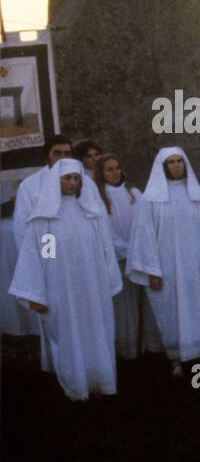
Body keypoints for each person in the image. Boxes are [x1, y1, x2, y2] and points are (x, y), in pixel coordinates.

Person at [9, 159, 121, 401]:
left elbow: (104, 250)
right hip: (63, 288)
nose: (72, 183)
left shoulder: (92, 214)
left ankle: (102, 380)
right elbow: (46, 256)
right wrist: (40, 291)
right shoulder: (46, 219)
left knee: (97, 332)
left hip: (93, 287)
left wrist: (109, 279)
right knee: (68, 336)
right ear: (55, 181)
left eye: (76, 178)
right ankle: (76, 386)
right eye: (66, 178)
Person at [126, 147, 200, 377]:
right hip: (167, 267)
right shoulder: (150, 200)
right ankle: (175, 358)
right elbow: (144, 237)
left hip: (196, 266)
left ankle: (199, 355)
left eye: (180, 161)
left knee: (198, 308)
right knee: (170, 311)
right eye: (171, 162)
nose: (176, 165)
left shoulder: (196, 196)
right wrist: (152, 271)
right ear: (163, 167)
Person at [93, 154, 163, 360]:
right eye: (109, 169)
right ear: (101, 173)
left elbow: (146, 223)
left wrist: (140, 250)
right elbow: (105, 232)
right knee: (125, 307)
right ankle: (128, 350)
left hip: (141, 256)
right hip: (119, 259)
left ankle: (151, 345)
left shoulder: (134, 193)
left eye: (117, 167)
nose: (115, 172)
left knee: (148, 303)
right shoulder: (99, 197)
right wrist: (126, 251)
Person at [3, 135, 73, 337]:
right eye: (57, 153)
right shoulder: (31, 185)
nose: (62, 158)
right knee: (55, 315)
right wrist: (46, 259)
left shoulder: (82, 182)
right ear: (47, 157)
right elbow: (25, 228)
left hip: (78, 255)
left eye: (67, 153)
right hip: (49, 253)